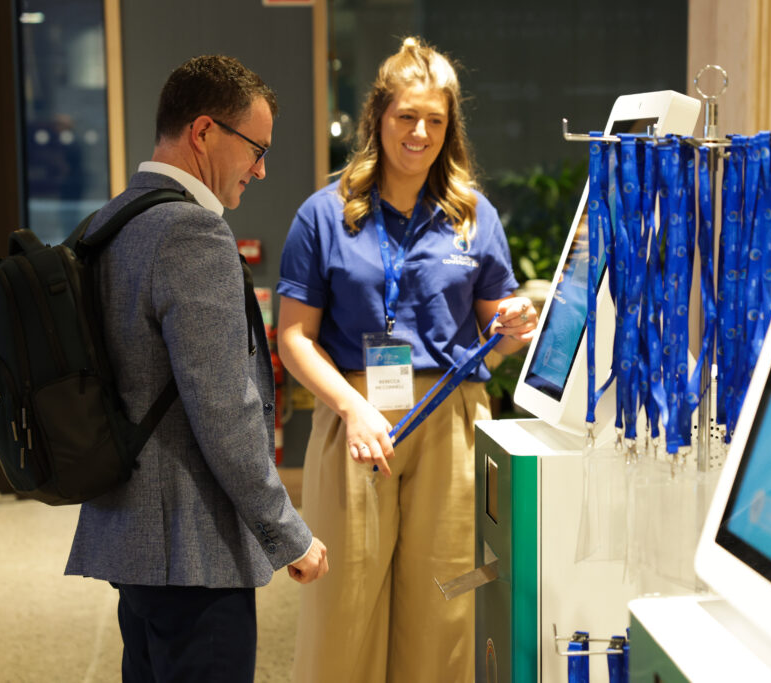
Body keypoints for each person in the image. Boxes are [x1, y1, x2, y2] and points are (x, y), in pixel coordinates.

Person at [278, 37, 538, 682]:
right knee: (345, 607)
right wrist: (352, 407)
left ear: (449, 128)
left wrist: (519, 327)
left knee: (443, 608)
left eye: (435, 120)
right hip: (356, 419)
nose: (419, 132)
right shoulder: (324, 214)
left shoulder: (473, 216)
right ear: (378, 119)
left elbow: (495, 335)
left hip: (450, 419)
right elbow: (293, 338)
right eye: (405, 116)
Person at [64, 54, 328, 682]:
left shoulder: (109, 222)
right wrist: (286, 530)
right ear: (204, 132)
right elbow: (224, 409)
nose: (261, 170)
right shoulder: (193, 234)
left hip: (134, 535)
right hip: (193, 547)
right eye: (255, 149)